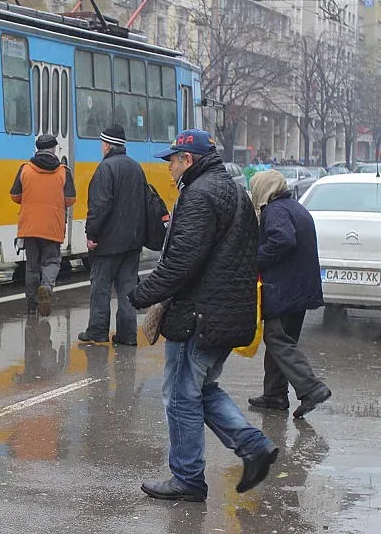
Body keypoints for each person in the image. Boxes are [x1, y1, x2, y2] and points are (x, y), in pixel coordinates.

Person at [128, 129, 278, 502]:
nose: (169, 168)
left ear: (188, 161)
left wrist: (141, 295)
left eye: (173, 161)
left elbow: (181, 262)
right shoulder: (233, 191)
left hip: (199, 315)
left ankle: (188, 478)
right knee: (202, 389)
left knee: (180, 396)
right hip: (225, 313)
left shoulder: (199, 195)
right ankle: (253, 447)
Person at [247, 169, 331, 418]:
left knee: (276, 339)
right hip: (299, 290)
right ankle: (274, 395)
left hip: (284, 289)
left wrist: (255, 261)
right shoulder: (294, 207)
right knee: (282, 341)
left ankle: (311, 387)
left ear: (264, 189)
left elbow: (283, 240)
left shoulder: (275, 210)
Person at [80, 124, 147, 346]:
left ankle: (98, 330)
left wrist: (92, 234)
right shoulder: (136, 168)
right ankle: (127, 335)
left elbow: (100, 206)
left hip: (108, 242)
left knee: (101, 287)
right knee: (128, 288)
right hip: (132, 241)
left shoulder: (106, 169)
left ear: (107, 144)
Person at [9, 134, 76, 316]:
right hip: (52, 227)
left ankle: (31, 304)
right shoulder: (63, 171)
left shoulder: (25, 169)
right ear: (54, 149)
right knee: (52, 261)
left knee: (32, 266)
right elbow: (70, 199)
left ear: (37, 149)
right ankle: (46, 288)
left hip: (30, 227)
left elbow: (15, 196)